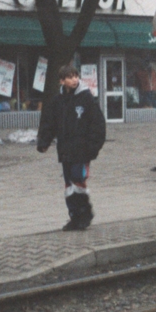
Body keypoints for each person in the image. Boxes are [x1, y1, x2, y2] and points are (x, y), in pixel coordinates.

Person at [36, 64, 107, 231]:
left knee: (78, 178)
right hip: (65, 150)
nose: (74, 79)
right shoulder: (58, 102)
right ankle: (74, 216)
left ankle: (84, 213)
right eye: (70, 77)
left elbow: (98, 124)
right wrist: (44, 142)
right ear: (62, 81)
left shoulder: (86, 98)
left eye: (76, 76)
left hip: (82, 150)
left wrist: (93, 147)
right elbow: (50, 123)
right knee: (69, 184)